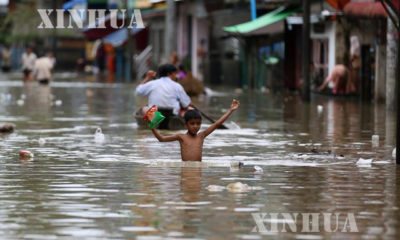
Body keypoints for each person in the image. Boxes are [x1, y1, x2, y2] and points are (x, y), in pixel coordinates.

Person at [150, 99, 240, 161]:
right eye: (192, 123)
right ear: (186, 124)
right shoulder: (181, 137)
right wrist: (152, 127)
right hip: (185, 169)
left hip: (197, 169)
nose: (195, 126)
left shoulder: (202, 135)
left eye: (198, 123)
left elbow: (217, 124)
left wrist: (231, 110)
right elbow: (161, 139)